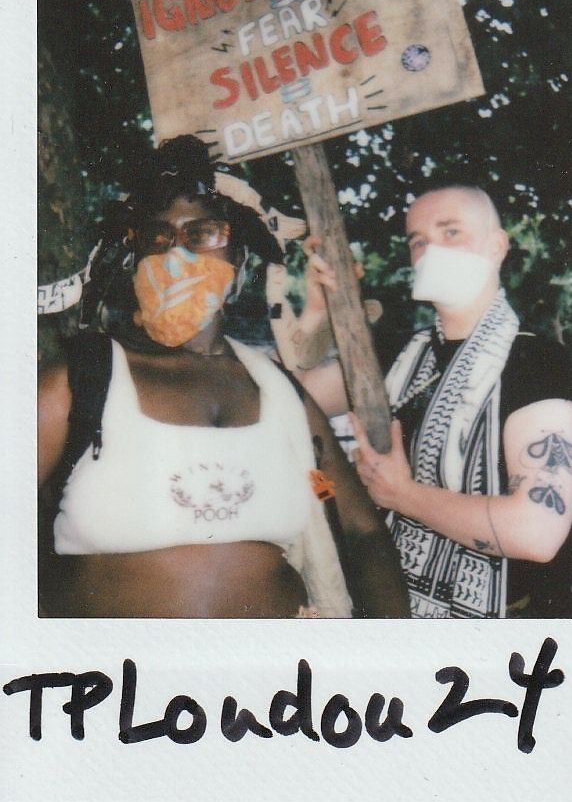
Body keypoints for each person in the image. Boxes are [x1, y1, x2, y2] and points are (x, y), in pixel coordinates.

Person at [37, 136, 410, 619]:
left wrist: (386, 652)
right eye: (157, 237)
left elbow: (355, 527)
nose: (176, 256)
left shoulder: (283, 400)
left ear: (239, 254)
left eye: (203, 234)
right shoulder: (78, 382)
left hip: (274, 687)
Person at [294, 183, 572, 619]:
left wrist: (402, 494)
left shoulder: (535, 361)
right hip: (392, 609)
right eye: (418, 241)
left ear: (498, 245)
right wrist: (317, 311)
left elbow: (536, 533)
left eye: (451, 232)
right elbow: (290, 401)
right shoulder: (395, 356)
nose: (431, 251)